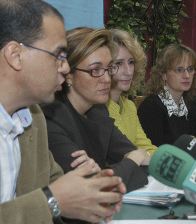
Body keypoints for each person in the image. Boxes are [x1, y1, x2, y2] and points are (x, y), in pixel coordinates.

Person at [0, 1, 126, 224]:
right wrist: (52, 201)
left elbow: (55, 181)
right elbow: (51, 197)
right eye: (58, 55)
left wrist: (92, 189)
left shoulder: (33, 117)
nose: (66, 67)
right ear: (15, 55)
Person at [42, 27, 149, 195]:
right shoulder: (50, 118)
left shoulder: (98, 110)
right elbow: (90, 190)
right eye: (95, 70)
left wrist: (119, 167)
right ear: (68, 74)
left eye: (109, 69)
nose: (107, 79)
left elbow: (142, 161)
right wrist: (131, 162)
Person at [138, 43, 196, 146]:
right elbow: (154, 154)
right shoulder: (151, 107)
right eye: (179, 70)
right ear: (164, 74)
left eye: (190, 69)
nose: (187, 75)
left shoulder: (189, 105)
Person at [106, 28, 157, 155]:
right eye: (118, 63)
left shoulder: (129, 106)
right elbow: (125, 154)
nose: (128, 71)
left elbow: (145, 146)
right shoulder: (98, 109)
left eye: (131, 62)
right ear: (105, 66)